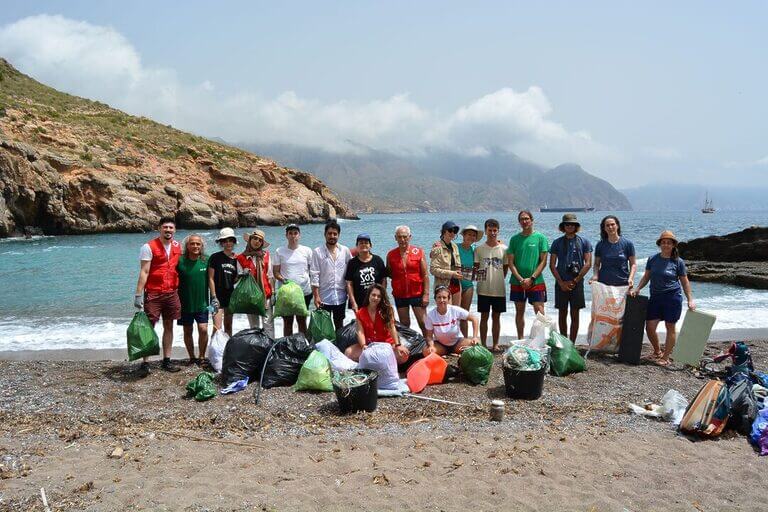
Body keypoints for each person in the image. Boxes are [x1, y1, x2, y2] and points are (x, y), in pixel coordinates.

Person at [631, 230, 696, 366]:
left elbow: (685, 282)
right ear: (660, 244)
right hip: (655, 298)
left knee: (670, 326)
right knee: (649, 327)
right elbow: (646, 277)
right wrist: (637, 288)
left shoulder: (678, 262)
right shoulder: (652, 259)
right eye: (663, 242)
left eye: (668, 243)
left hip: (672, 298)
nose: (666, 245)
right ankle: (657, 351)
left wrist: (690, 299)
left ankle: (666, 357)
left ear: (673, 245)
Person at [133, 216, 182, 376]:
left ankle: (166, 360)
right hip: (153, 293)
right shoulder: (148, 247)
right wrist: (138, 294)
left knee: (169, 326)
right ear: (159, 228)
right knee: (149, 327)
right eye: (165, 227)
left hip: (171, 292)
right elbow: (144, 271)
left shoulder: (178, 246)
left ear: (174, 230)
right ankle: (145, 362)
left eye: (171, 227)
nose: (168, 230)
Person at [549, 213, 593, 342]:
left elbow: (588, 263)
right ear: (563, 226)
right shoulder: (557, 242)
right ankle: (564, 342)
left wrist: (575, 280)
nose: (570, 226)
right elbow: (552, 265)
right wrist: (561, 282)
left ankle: (572, 343)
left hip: (577, 283)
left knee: (575, 314)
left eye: (572, 224)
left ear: (576, 226)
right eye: (567, 224)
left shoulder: (584, 242)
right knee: (562, 313)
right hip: (561, 282)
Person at [507, 210, 549, 340]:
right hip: (517, 282)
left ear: (531, 220)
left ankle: (541, 340)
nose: (524, 221)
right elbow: (511, 263)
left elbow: (543, 262)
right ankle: (520, 340)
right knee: (519, 312)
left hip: (536, 281)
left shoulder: (541, 238)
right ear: (519, 222)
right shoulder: (514, 239)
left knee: (540, 311)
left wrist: (532, 278)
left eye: (526, 218)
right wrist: (521, 279)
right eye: (522, 219)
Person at [345, 284, 409, 365]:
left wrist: (398, 345)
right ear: (369, 295)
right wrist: (363, 346)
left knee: (403, 356)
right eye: (373, 295)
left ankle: (378, 362)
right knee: (348, 353)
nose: (375, 298)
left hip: (387, 345)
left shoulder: (387, 310)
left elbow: (391, 328)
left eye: (379, 296)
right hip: (370, 345)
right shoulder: (360, 313)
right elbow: (360, 332)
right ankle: (378, 362)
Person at [386, 225, 430, 334]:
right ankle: (410, 344)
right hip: (400, 294)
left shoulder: (418, 252)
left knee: (423, 323)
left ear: (410, 237)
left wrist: (426, 294)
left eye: (405, 237)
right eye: (399, 237)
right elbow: (389, 273)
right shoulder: (391, 255)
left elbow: (425, 275)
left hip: (417, 293)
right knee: (404, 324)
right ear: (395, 238)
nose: (402, 239)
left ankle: (429, 342)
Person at [311, 220, 352, 331]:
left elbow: (351, 271)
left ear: (338, 235)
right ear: (325, 234)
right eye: (329, 233)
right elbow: (314, 274)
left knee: (339, 325)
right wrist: (316, 296)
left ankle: (339, 342)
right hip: (324, 297)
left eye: (335, 234)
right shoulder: (317, 252)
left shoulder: (345, 251)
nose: (332, 236)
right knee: (324, 328)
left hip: (341, 297)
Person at [473, 218, 508, 352]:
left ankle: (495, 344)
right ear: (486, 231)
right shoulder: (479, 249)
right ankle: (483, 344)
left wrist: (497, 278)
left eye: (495, 230)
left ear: (498, 231)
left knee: (496, 317)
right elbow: (476, 268)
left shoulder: (504, 249)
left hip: (499, 289)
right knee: (484, 317)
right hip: (483, 290)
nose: (492, 233)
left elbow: (505, 269)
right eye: (490, 230)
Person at [273, 224, 313, 336]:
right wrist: (284, 280)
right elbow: (276, 272)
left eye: (295, 233)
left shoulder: (307, 251)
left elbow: (312, 271)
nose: (293, 236)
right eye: (290, 233)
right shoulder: (279, 251)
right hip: (286, 293)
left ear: (299, 235)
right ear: (286, 235)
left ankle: (302, 343)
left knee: (302, 321)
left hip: (304, 292)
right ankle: (287, 343)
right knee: (287, 322)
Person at [176, 234, 210, 365]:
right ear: (187, 246)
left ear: (202, 246)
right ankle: (192, 357)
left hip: (202, 303)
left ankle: (202, 356)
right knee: (187, 330)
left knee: (203, 329)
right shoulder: (180, 261)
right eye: (192, 244)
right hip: (184, 304)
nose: (195, 246)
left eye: (198, 244)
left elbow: (213, 279)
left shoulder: (206, 260)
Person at [236, 229, 275, 338]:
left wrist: (273, 293)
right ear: (250, 240)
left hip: (265, 294)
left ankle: (269, 345)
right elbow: (238, 277)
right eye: (254, 238)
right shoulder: (240, 258)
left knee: (268, 324)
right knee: (254, 326)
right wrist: (243, 274)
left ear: (262, 243)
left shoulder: (266, 255)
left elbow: (270, 275)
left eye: (260, 240)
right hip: (250, 296)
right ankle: (256, 346)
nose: (257, 241)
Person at [423, 286, 481, 356]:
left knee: (476, 345)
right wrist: (431, 346)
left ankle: (454, 353)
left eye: (444, 297)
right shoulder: (430, 315)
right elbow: (429, 336)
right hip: (441, 345)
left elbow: (474, 319)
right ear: (435, 299)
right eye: (439, 297)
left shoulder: (455, 310)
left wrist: (475, 337)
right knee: (426, 351)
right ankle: (445, 353)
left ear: (448, 299)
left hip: (458, 343)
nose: (442, 300)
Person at [590, 215, 637, 288]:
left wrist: (631, 278)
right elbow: (596, 264)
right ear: (604, 228)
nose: (610, 227)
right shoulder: (600, 245)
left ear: (617, 226)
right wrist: (595, 275)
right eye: (607, 225)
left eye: (612, 224)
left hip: (623, 283)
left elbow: (633, 264)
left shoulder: (628, 244)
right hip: (604, 285)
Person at [345, 233, 387, 312]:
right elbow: (349, 284)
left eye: (366, 243)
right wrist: (353, 302)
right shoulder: (352, 263)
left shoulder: (378, 260)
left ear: (370, 246)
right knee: (361, 320)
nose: (363, 245)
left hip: (376, 300)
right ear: (357, 246)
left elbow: (384, 280)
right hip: (359, 302)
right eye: (361, 243)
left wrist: (382, 297)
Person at [208, 227, 238, 336]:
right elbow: (210, 278)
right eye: (225, 241)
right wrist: (213, 297)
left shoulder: (236, 259)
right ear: (221, 243)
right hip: (217, 296)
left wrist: (242, 275)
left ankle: (227, 347)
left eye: (230, 240)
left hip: (230, 295)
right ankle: (214, 347)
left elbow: (234, 279)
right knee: (217, 328)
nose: (228, 243)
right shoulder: (215, 257)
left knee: (228, 326)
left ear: (234, 242)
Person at [429, 221, 463, 306]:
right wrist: (452, 274)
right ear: (444, 231)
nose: (452, 233)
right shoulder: (437, 247)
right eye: (450, 230)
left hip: (456, 284)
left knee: (456, 312)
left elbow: (457, 266)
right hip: (443, 286)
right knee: (446, 312)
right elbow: (433, 270)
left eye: (455, 231)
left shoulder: (455, 246)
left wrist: (465, 273)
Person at [458, 225, 481, 337]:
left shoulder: (475, 251)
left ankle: (465, 340)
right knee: (453, 315)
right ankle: (452, 341)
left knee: (464, 315)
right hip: (455, 284)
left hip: (468, 286)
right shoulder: (455, 247)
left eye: (473, 235)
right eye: (469, 234)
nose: (471, 237)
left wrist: (500, 244)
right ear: (464, 235)